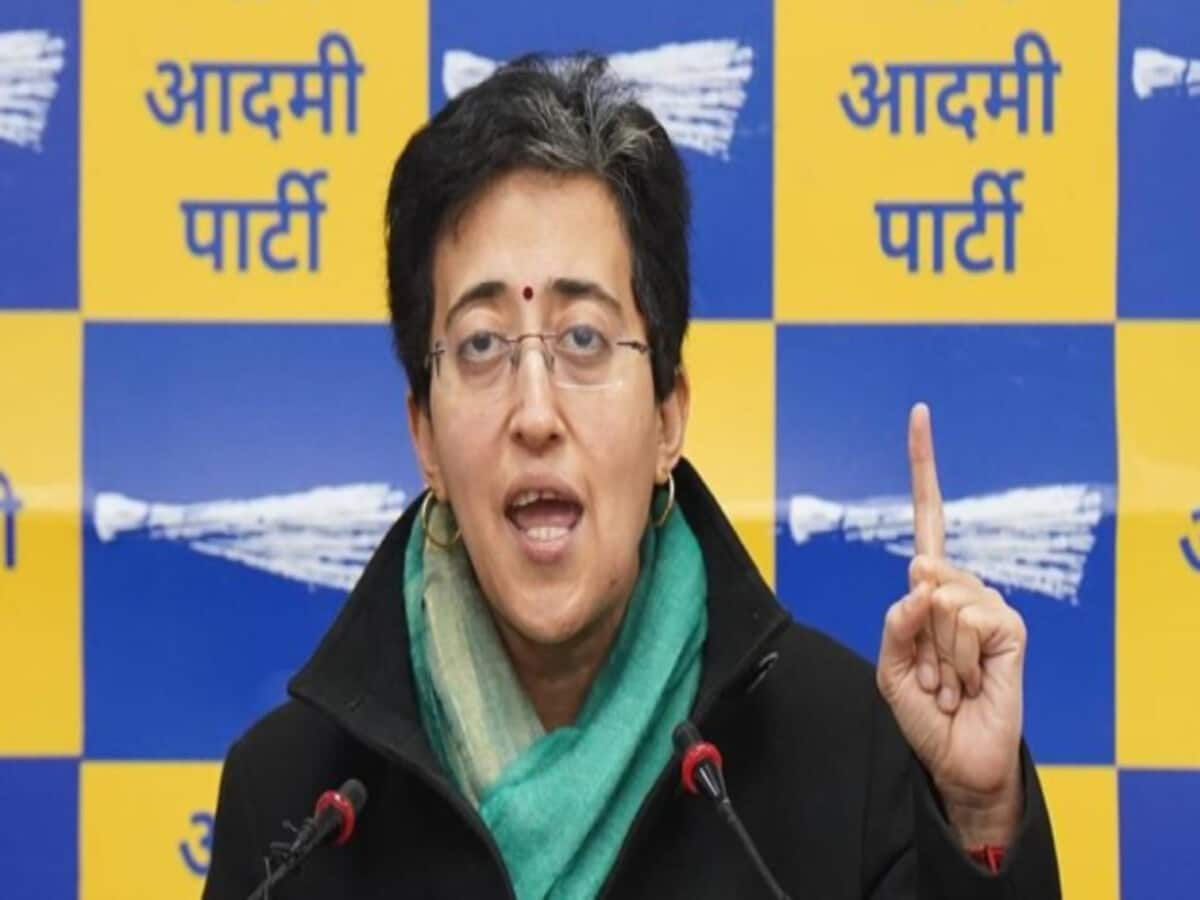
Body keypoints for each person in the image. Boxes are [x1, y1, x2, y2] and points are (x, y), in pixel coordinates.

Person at [203, 55, 1061, 898]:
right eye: (481, 344)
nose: (534, 412)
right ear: (425, 435)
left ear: (667, 418)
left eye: (583, 338)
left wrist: (978, 815)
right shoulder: (293, 808)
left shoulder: (847, 753)